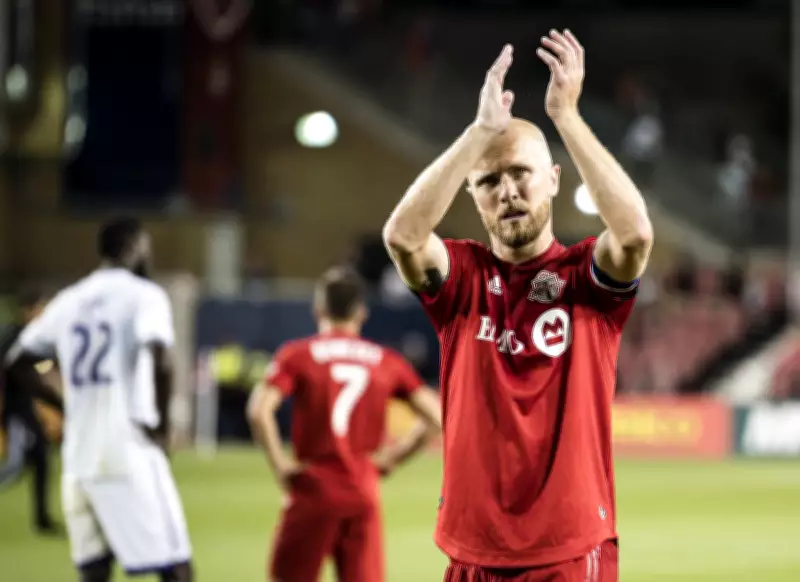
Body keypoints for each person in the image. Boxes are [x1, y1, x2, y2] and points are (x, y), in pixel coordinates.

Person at [382, 31, 653, 582]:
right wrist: (478, 133)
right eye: (489, 181)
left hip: (569, 551)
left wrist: (567, 118)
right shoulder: (464, 281)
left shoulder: (586, 281)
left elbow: (635, 235)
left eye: (521, 174)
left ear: (553, 180)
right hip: (472, 554)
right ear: (472, 195)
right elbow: (404, 238)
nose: (507, 192)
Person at [4, 217, 193, 582]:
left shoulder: (70, 299)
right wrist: (162, 428)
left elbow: (17, 362)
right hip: (128, 448)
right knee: (176, 567)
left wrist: (65, 407)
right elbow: (163, 360)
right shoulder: (144, 295)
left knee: (94, 572)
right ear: (135, 247)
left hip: (79, 456)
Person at [247, 266, 442, 582]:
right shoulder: (385, 360)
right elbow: (435, 417)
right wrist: (393, 458)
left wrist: (281, 465)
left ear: (318, 309)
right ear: (362, 313)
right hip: (362, 487)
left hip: (313, 486)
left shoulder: (297, 355)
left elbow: (259, 411)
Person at [0, 288, 64, 534]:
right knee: (14, 466)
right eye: (38, 308)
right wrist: (59, 404)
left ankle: (42, 520)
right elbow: (23, 376)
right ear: (27, 309)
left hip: (25, 409)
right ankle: (42, 520)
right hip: (14, 411)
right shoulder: (13, 337)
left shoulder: (29, 336)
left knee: (41, 460)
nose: (41, 313)